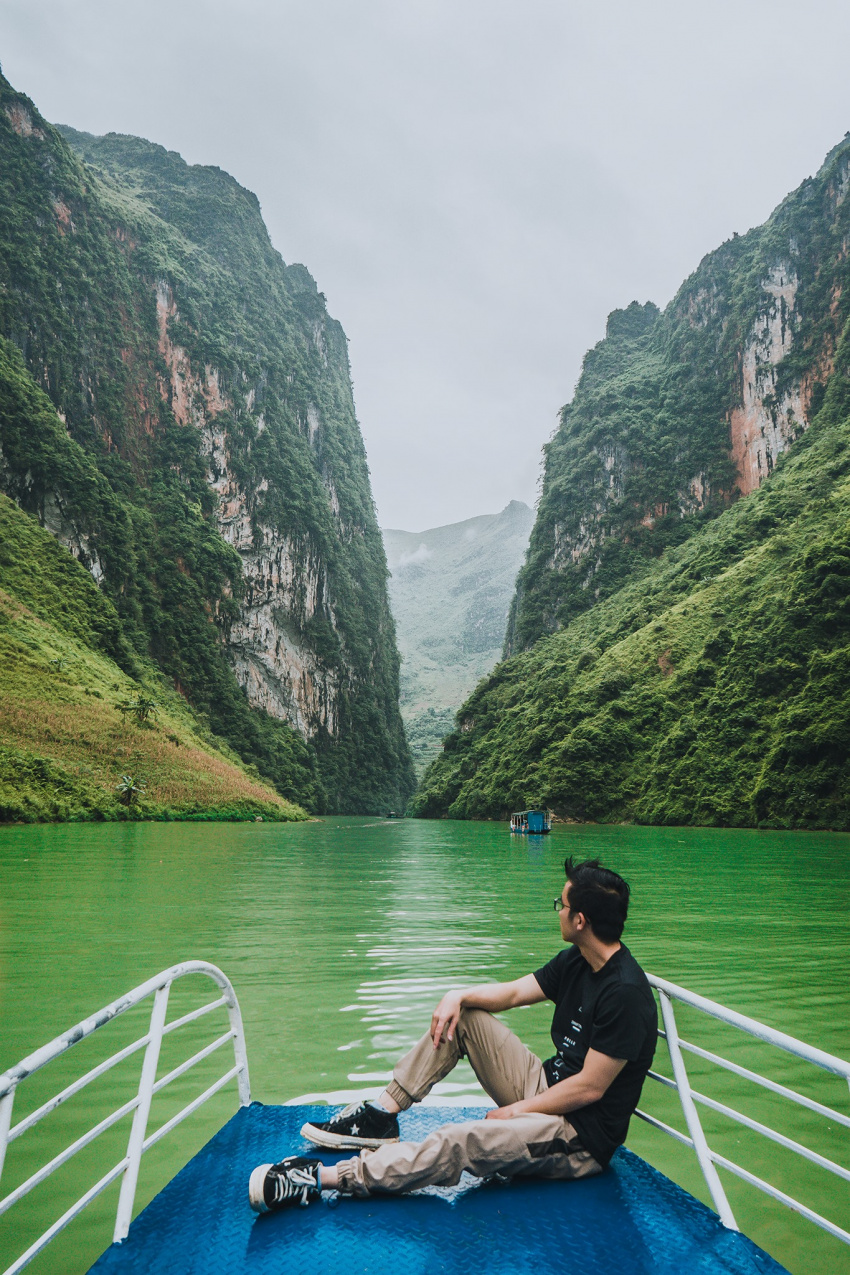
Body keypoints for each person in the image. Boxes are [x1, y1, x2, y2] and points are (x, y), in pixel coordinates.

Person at [248, 856, 657, 1212]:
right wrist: (457, 995)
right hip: (547, 1088)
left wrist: (515, 1112)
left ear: (580, 920)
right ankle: (381, 1116)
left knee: (459, 1140)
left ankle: (323, 1179)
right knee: (466, 1018)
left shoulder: (625, 994)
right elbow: (514, 992)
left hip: (576, 1135)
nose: (558, 911)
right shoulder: (579, 960)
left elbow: (589, 1089)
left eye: (561, 904)